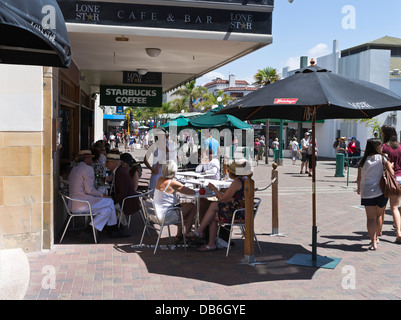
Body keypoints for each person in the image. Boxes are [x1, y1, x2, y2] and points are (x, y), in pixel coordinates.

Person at [188, 161, 250, 252]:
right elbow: (232, 198)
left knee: (214, 205)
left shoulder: (236, 182)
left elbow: (222, 199)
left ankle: (201, 232)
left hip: (237, 214)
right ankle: (209, 242)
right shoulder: (245, 179)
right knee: (214, 214)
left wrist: (214, 189)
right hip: (243, 211)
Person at [68, 150, 118, 241]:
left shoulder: (74, 169)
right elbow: (89, 190)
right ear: (86, 159)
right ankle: (112, 228)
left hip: (73, 203)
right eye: (90, 157)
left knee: (107, 210)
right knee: (110, 201)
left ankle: (90, 230)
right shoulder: (87, 169)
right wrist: (102, 195)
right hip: (83, 204)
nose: (92, 159)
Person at [357, 138, 394, 251]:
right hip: (381, 191)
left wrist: (359, 188)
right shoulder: (383, 158)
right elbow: (391, 173)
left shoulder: (362, 161)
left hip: (367, 192)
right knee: (378, 216)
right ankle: (376, 237)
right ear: (377, 147)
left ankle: (373, 241)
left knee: (370, 218)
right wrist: (391, 166)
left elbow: (359, 178)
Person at [153, 160, 197, 238]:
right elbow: (191, 192)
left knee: (183, 207)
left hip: (156, 214)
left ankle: (179, 235)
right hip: (166, 216)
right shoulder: (172, 183)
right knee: (192, 207)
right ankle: (187, 233)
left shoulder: (159, 179)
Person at [106, 153, 140, 226]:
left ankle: (114, 226)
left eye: (107, 162)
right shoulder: (119, 171)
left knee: (106, 206)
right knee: (106, 203)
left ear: (114, 163)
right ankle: (113, 225)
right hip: (125, 199)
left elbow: (123, 193)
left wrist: (112, 200)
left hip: (127, 201)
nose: (105, 164)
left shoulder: (121, 172)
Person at [381, 125, 401, 244]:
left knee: (385, 207)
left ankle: (398, 233)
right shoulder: (400, 146)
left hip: (390, 179)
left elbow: (382, 164)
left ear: (385, 134)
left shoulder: (383, 147)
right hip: (400, 177)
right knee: (396, 207)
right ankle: (398, 231)